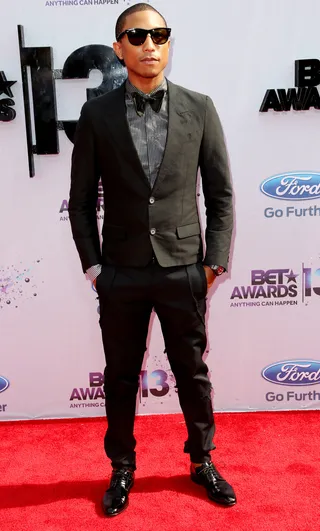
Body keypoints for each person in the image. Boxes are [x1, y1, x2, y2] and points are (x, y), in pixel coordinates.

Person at [69, 2, 236, 517]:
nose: (149, 45)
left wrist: (214, 263)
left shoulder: (200, 107)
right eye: (136, 36)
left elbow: (222, 194)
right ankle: (122, 466)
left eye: (159, 35)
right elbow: (79, 200)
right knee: (120, 374)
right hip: (120, 270)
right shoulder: (96, 115)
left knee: (193, 372)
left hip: (184, 267)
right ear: (119, 47)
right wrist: (96, 268)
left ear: (168, 44)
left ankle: (201, 459)